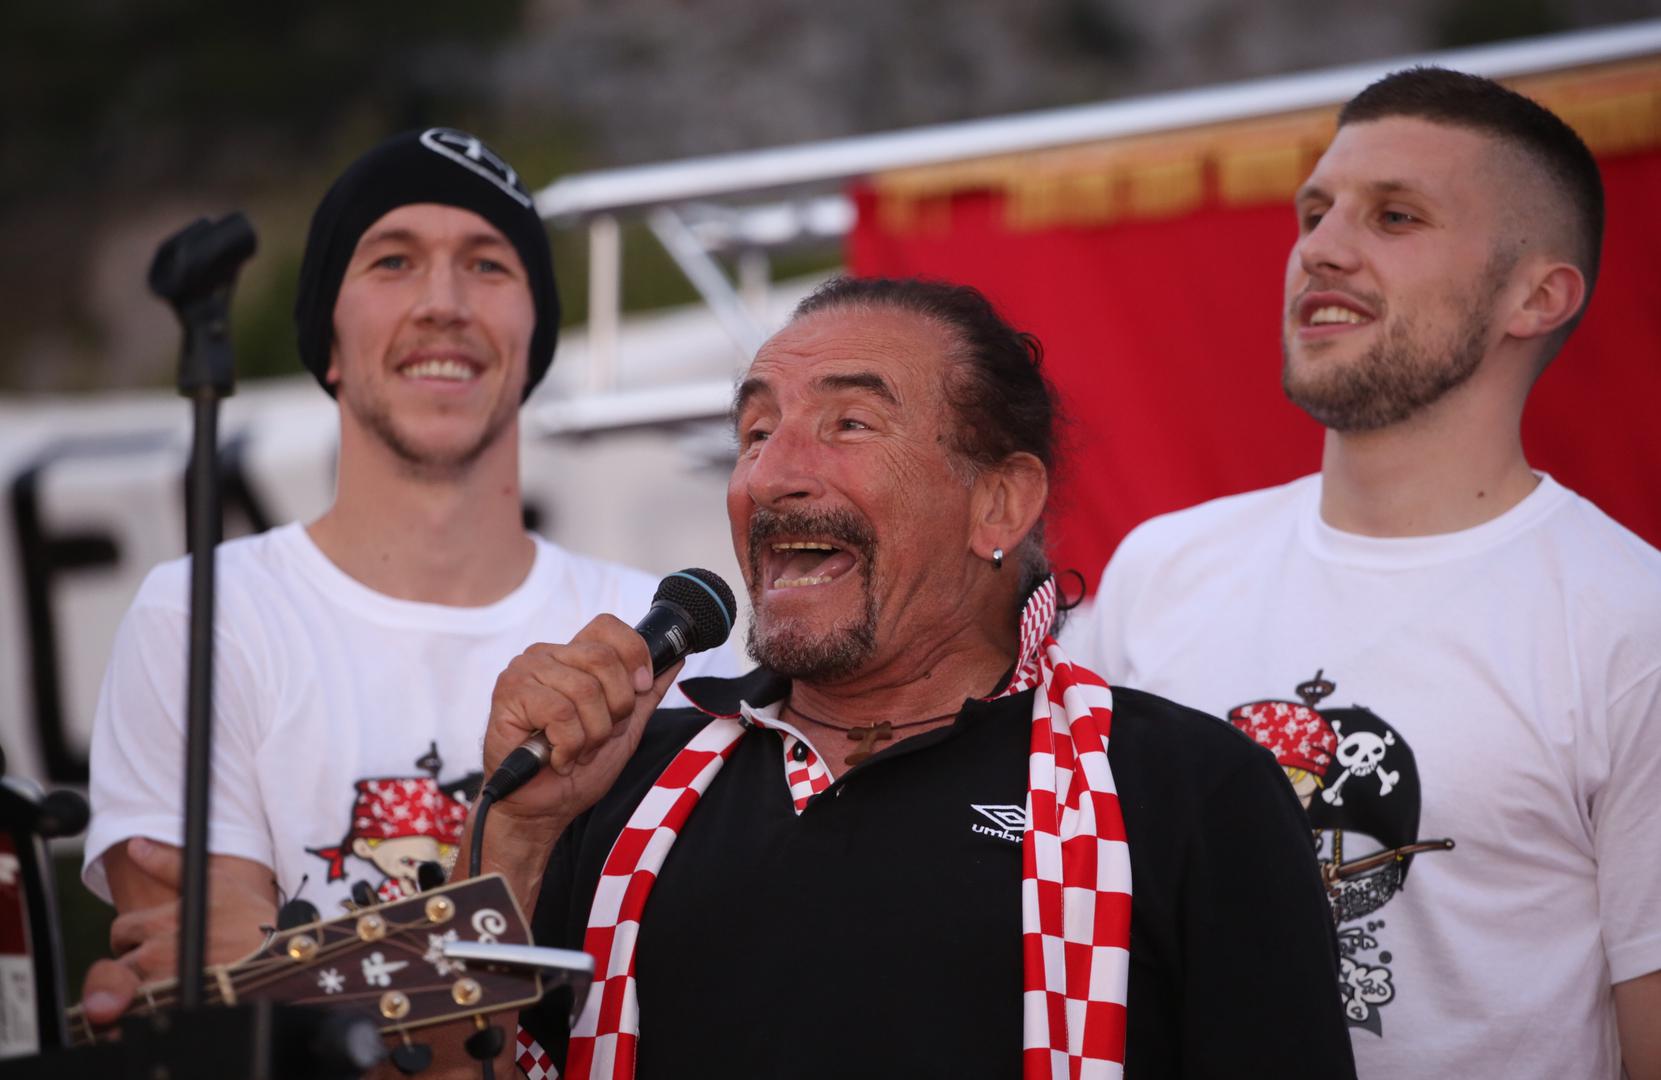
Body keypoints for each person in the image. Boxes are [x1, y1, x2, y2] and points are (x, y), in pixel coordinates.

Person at [457, 277, 1356, 1079]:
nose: (770, 475)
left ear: (998, 502)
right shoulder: (615, 780)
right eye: (754, 433)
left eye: (849, 424)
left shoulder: (1186, 791)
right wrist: (517, 841)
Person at [1066, 68, 1661, 1079]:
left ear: (1535, 296)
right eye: (1314, 211)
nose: (1320, 248)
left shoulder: (1628, 623)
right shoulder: (1161, 569)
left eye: (1394, 216)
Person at [77, 128, 735, 1023]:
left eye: (487, 265)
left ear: (534, 340)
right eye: (392, 261)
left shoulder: (659, 633)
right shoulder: (200, 616)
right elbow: (224, 1026)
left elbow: (695, 981)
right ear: (328, 338)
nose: (443, 303)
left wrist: (303, 972)